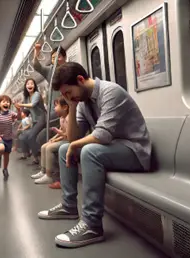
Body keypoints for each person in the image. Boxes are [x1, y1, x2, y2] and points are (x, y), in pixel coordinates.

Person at [38, 62, 151, 248]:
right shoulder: (81, 102)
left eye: (68, 93)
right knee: (64, 148)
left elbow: (102, 135)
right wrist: (72, 108)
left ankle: (92, 225)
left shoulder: (111, 92)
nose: (67, 98)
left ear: (80, 80)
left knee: (89, 151)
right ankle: (68, 207)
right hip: (114, 148)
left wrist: (75, 144)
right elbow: (73, 138)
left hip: (135, 151)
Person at [32, 97, 69, 189]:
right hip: (63, 139)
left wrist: (57, 138)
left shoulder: (69, 118)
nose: (54, 109)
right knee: (44, 146)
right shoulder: (62, 118)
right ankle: (43, 170)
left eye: (56, 106)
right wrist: (53, 139)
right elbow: (60, 131)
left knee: (49, 148)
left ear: (64, 107)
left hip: (68, 140)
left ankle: (49, 175)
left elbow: (67, 135)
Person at [14, 78, 47, 164]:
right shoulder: (27, 97)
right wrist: (19, 109)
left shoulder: (36, 94)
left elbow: (32, 105)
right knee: (25, 136)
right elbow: (25, 111)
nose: (30, 85)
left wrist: (20, 104)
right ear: (25, 86)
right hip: (35, 120)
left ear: (34, 86)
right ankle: (31, 155)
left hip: (42, 118)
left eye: (32, 83)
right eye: (28, 84)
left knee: (31, 136)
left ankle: (37, 153)